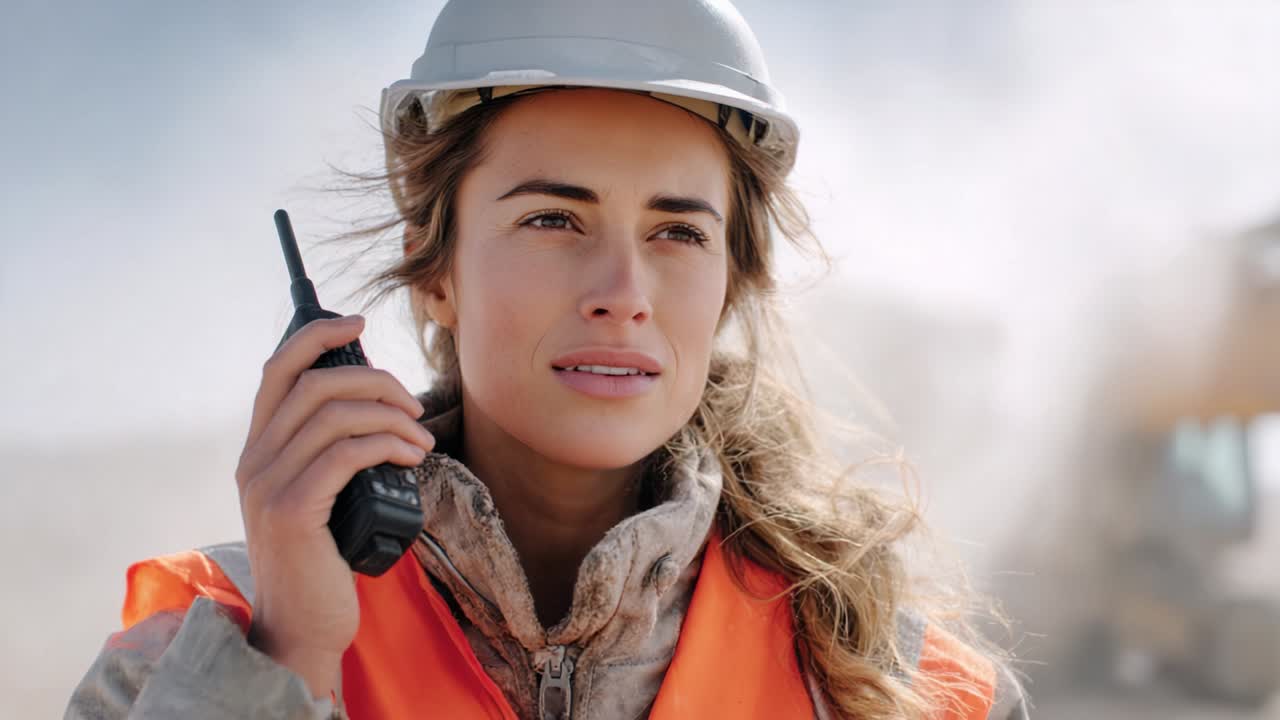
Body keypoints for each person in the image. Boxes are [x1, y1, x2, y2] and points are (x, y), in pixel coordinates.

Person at [65, 1, 1029, 718]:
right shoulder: (190, 660)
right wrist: (287, 655)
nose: (624, 289)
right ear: (434, 273)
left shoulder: (904, 690)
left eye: (678, 232)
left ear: (729, 284)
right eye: (552, 218)